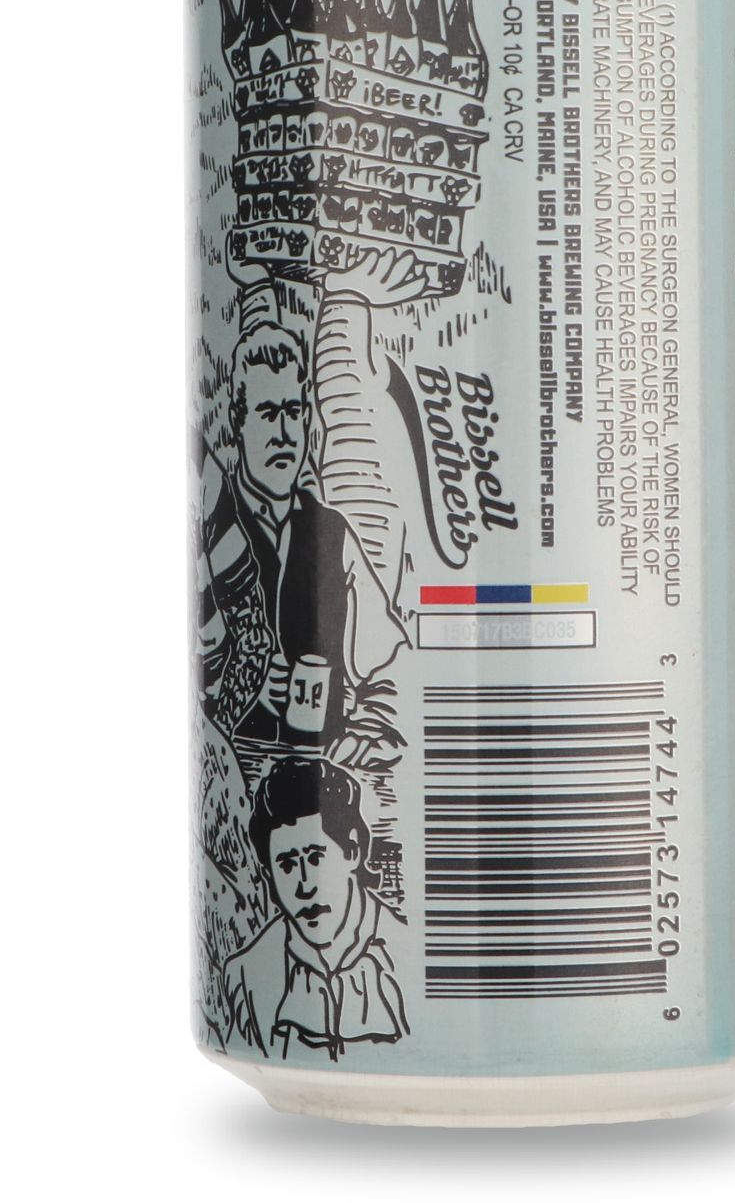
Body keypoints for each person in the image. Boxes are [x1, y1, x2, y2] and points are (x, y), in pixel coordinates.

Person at [197, 318, 408, 755]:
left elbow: (388, 667)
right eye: (267, 414)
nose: (282, 435)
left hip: (328, 773)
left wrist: (365, 730)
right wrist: (250, 691)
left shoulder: (332, 533)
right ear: (237, 423)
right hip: (241, 773)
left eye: (292, 413)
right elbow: (203, 685)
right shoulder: (213, 525)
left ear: (307, 419)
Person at [224, 757, 408, 1060]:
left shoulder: (408, 956)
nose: (305, 885)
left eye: (315, 858)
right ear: (269, 874)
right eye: (286, 865)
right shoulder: (243, 977)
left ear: (352, 850)